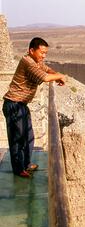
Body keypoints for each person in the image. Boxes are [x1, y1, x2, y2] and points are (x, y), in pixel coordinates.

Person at [2, 37, 66, 178]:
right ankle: (19, 170)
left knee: (28, 136)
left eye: (45, 53)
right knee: (17, 138)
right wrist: (60, 75)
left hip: (21, 104)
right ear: (32, 50)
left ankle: (26, 164)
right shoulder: (28, 62)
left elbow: (46, 69)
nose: (43, 56)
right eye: (42, 52)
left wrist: (56, 75)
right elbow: (44, 77)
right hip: (13, 104)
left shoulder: (36, 61)